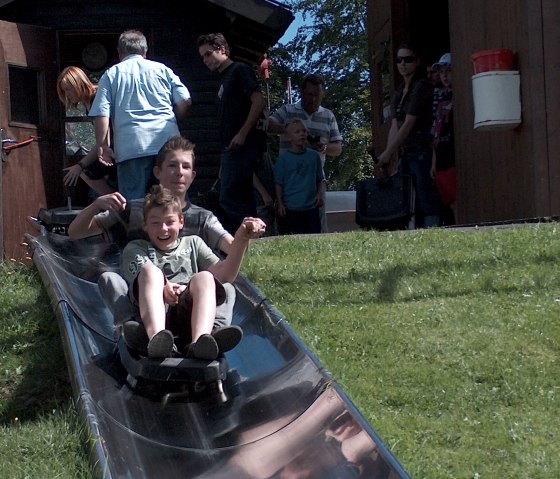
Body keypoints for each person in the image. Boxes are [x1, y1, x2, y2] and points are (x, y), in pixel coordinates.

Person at [68, 135, 235, 326]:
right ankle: (132, 326)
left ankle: (214, 331)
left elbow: (231, 247)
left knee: (228, 287)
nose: (179, 173)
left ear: (192, 175)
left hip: (187, 298)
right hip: (143, 298)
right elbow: (76, 233)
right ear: (158, 171)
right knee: (110, 279)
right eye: (172, 166)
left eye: (185, 166)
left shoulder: (203, 218)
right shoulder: (131, 211)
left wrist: (245, 236)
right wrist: (95, 206)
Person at [120, 184, 266, 358]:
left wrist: (241, 239)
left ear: (181, 221)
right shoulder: (136, 247)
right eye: (155, 223)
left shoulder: (193, 243)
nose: (164, 229)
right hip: (155, 310)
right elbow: (143, 275)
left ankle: (200, 342)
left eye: (169, 222)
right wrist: (165, 285)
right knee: (151, 272)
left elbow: (225, 274)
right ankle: (157, 340)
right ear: (145, 225)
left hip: (188, 311)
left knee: (206, 277)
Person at [89, 30, 192, 201]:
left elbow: (101, 112)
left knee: (134, 205)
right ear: (145, 52)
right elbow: (185, 101)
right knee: (174, 201)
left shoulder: (112, 74)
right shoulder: (163, 70)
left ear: (120, 52)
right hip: (168, 144)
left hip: (132, 147)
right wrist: (173, 122)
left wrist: (103, 146)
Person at [197, 33, 267, 234]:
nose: (206, 60)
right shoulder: (223, 79)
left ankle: (241, 239)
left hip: (243, 146)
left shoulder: (239, 70)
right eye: (203, 57)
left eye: (208, 54)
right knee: (241, 195)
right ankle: (251, 237)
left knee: (229, 197)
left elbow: (258, 101)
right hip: (230, 148)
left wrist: (243, 134)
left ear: (222, 50)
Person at [375, 43, 441, 228]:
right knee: (408, 201)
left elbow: (409, 123)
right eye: (399, 60)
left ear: (417, 62)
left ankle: (433, 235)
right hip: (407, 154)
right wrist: (388, 155)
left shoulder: (421, 87)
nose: (403, 64)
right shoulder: (399, 91)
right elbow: (395, 125)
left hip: (423, 151)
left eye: (408, 59)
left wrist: (388, 153)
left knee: (426, 198)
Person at [268, 73, 343, 233]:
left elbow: (337, 148)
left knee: (317, 224)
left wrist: (323, 147)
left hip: (314, 179)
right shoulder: (288, 111)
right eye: (310, 94)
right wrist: (289, 131)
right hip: (289, 180)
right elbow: (268, 125)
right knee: (289, 224)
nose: (314, 99)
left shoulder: (328, 116)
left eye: (318, 95)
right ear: (301, 93)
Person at [56, 66, 117, 196]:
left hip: (116, 149)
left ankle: (118, 205)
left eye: (68, 89)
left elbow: (103, 141)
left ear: (78, 84)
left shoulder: (96, 98)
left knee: (85, 171)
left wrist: (80, 165)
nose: (67, 94)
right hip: (112, 148)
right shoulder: (89, 103)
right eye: (64, 91)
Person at [274, 118, 325, 235]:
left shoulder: (313, 156)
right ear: (288, 136)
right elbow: (278, 183)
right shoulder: (283, 159)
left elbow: (319, 179)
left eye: (304, 131)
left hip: (311, 207)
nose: (302, 134)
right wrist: (280, 203)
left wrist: (319, 194)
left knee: (314, 237)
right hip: (291, 208)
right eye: (297, 132)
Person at [431, 53, 456, 225]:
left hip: (454, 154)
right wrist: (433, 161)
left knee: (457, 199)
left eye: (449, 70)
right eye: (441, 72)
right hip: (441, 156)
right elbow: (435, 133)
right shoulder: (438, 98)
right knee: (449, 202)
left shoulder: (460, 96)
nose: (445, 75)